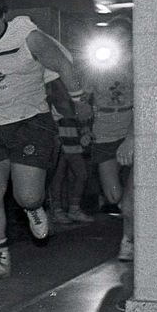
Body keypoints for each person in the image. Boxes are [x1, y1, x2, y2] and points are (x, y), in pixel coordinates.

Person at [0, 0, 89, 280]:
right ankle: (0, 260)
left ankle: (34, 207)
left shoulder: (28, 35)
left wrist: (78, 101)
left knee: (27, 197)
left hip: (30, 122)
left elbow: (63, 64)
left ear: (3, 15)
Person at [87, 18, 135, 261]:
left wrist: (131, 137)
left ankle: (128, 241)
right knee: (113, 196)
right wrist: (86, 127)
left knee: (128, 203)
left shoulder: (138, 63)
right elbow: (85, 98)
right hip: (104, 131)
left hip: (131, 128)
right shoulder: (98, 63)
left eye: (123, 37)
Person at [46, 78, 93, 225]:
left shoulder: (76, 91)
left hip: (73, 136)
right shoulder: (51, 88)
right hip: (57, 135)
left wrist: (85, 131)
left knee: (81, 174)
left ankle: (74, 209)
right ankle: (56, 211)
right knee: (58, 176)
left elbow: (82, 114)